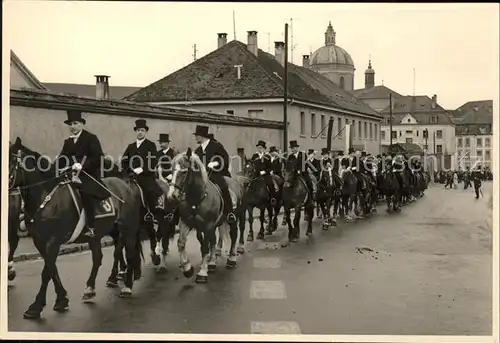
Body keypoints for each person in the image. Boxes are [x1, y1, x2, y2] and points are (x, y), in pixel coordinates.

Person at [56, 110, 111, 238]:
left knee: (86, 193)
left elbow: (98, 157)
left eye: (75, 123)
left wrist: (82, 165)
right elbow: (62, 158)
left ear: (81, 124)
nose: (72, 127)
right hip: (71, 175)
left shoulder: (91, 138)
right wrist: (53, 168)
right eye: (70, 124)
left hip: (89, 175)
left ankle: (91, 227)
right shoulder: (68, 142)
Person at [121, 119, 164, 221]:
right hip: (132, 176)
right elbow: (124, 161)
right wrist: (129, 170)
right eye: (138, 130)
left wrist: (142, 169)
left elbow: (153, 161)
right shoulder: (130, 146)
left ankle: (152, 212)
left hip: (146, 176)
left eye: (142, 130)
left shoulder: (150, 145)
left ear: (145, 132)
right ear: (135, 131)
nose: (140, 132)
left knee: (149, 190)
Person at [193, 125, 236, 224]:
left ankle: (230, 212)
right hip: (202, 177)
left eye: (197, 136)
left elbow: (225, 158)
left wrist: (216, 163)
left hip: (216, 173)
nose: (195, 138)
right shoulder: (197, 151)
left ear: (202, 136)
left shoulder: (216, 145)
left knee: (223, 186)